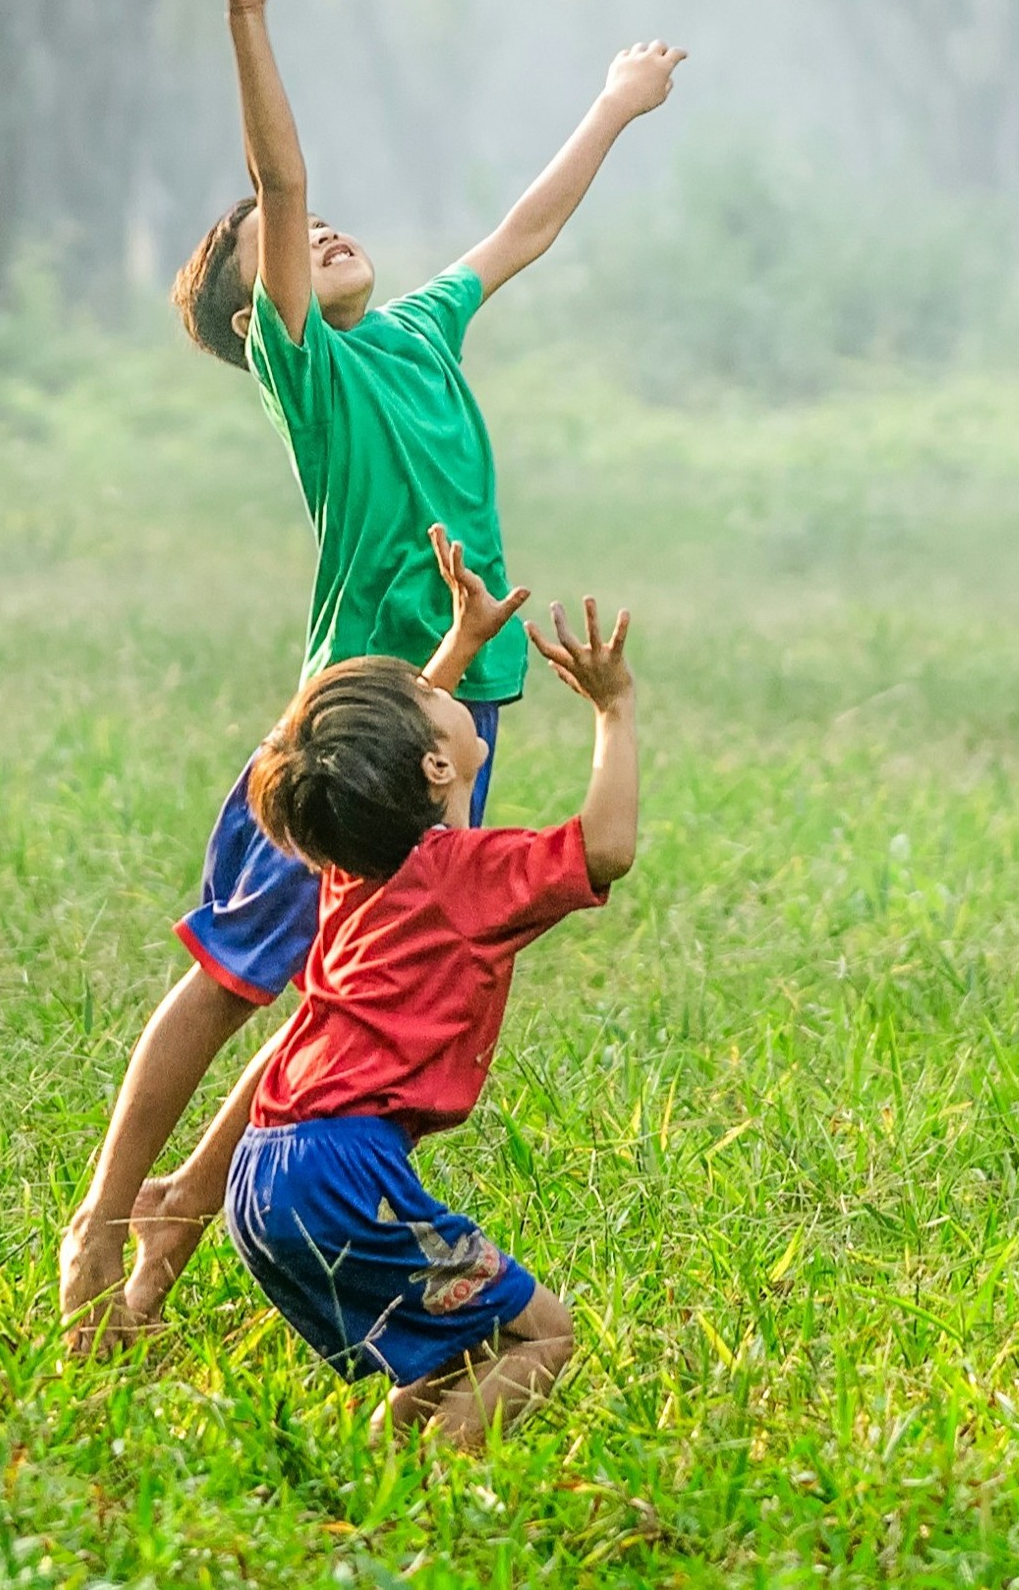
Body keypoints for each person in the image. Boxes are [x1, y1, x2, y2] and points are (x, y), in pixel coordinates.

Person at [54, 0, 681, 1341]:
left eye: (329, 223)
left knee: (343, 999)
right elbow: (277, 181)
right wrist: (245, 12)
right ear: (249, 316)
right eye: (277, 245)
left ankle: (162, 1264)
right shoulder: (312, 373)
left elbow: (520, 230)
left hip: (464, 707)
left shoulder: (413, 330)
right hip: (351, 720)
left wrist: (612, 105)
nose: (318, 228)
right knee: (229, 979)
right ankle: (103, 1226)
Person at [218, 592, 639, 1448]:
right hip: (344, 1176)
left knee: (458, 1344)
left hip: (262, 1171)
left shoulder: (354, 857)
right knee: (543, 1334)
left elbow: (381, 760)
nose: (438, 686)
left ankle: (379, 1475)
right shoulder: (466, 875)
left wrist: (458, 643)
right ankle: (436, 1498)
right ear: (436, 769)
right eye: (434, 694)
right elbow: (607, 846)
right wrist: (614, 708)